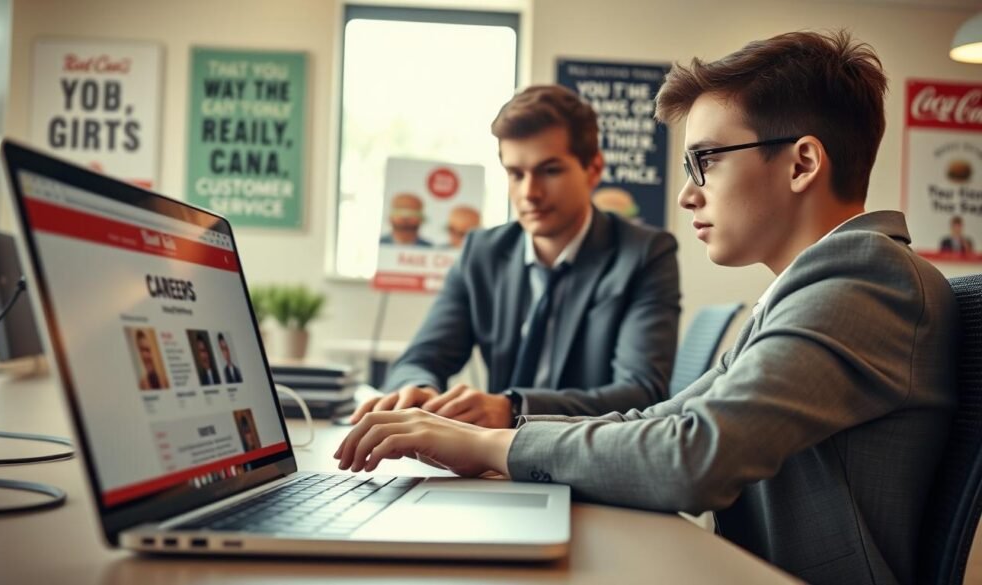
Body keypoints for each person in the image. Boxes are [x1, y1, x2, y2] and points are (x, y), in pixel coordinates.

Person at [336, 31, 957, 584]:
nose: (687, 193)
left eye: (705, 160)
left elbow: (692, 454)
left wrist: (490, 445)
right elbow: (660, 419)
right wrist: (483, 436)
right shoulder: (814, 285)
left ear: (801, 163)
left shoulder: (865, 277)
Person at [352, 84, 681, 429]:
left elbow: (641, 393)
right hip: (496, 465)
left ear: (593, 169)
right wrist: (417, 389)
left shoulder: (644, 254)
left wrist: (515, 408)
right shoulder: (481, 253)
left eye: (550, 170)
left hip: (590, 464)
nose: (530, 193)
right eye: (515, 174)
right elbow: (420, 358)